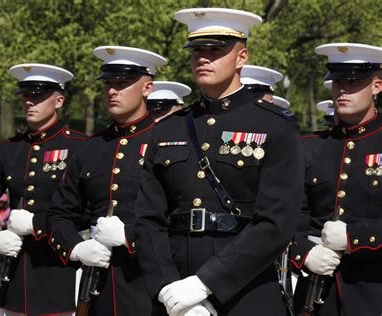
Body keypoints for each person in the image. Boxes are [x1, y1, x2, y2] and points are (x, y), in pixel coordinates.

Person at [134, 8, 304, 316]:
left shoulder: (276, 127)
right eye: (198, 49)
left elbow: (276, 223)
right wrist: (167, 288)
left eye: (216, 50)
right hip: (174, 296)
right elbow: (148, 219)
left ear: (242, 57)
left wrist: (203, 285)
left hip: (245, 293)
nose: (203, 57)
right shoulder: (167, 129)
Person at [47, 46, 166, 316]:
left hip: (152, 289)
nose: (112, 91)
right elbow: (59, 212)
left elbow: (179, 215)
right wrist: (76, 247)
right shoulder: (91, 148)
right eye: (108, 84)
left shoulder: (167, 141)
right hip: (98, 289)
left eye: (122, 83)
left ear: (147, 87)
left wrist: (130, 237)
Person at [0, 63, 86, 315]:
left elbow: (89, 211)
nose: (30, 102)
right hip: (14, 277)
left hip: (61, 272)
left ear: (59, 100)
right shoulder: (7, 150)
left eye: (39, 96)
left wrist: (37, 225)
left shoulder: (81, 147)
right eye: (26, 96)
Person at [290, 43, 382, 316]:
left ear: (377, 86)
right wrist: (304, 252)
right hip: (317, 297)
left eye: (353, 82)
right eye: (337, 81)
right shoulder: (309, 148)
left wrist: (355, 237)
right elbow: (284, 218)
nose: (342, 89)